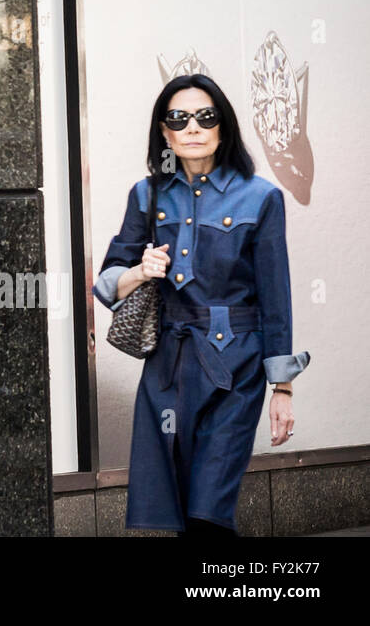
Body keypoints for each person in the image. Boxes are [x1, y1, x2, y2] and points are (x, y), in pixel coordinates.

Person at [92, 74, 310, 535]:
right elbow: (109, 282)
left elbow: (276, 298)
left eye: (205, 117)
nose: (192, 127)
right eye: (178, 118)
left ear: (223, 128)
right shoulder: (146, 195)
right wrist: (140, 270)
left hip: (237, 367)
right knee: (177, 508)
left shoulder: (261, 196)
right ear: (165, 132)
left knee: (208, 509)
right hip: (168, 368)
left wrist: (283, 389)